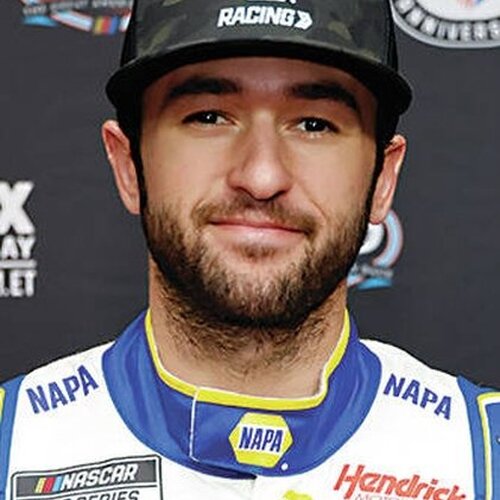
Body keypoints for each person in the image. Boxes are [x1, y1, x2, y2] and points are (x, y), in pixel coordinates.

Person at [1, 0, 498, 498]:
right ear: (129, 165)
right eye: (209, 117)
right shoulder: (13, 443)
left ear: (383, 178)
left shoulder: (483, 460)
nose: (261, 177)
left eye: (314, 124)